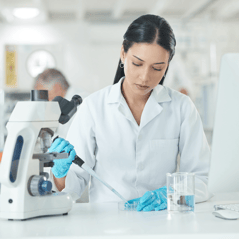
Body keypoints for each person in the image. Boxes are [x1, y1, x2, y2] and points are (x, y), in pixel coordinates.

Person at [49, 14, 210, 211]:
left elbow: (202, 179)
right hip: (106, 225)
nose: (145, 77)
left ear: (167, 65)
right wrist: (59, 173)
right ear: (123, 53)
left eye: (157, 68)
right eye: (137, 63)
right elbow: (72, 189)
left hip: (161, 223)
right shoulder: (93, 107)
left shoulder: (181, 107)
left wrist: (171, 193)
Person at [34, 68, 89, 138]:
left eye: (43, 96)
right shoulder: (62, 102)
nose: (45, 102)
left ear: (57, 87)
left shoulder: (81, 103)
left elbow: (71, 141)